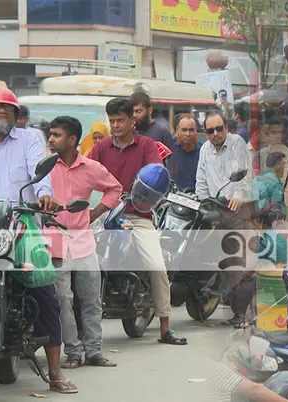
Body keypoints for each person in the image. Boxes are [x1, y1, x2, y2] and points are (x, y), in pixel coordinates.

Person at [0, 87, 78, 393]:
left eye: (8, 109)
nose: (2, 113)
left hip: (21, 222)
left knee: (45, 292)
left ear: (16, 115)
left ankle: (55, 372)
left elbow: (41, 174)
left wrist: (45, 195)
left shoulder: (29, 139)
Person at [88, 97, 187, 345]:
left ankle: (165, 327)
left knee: (156, 265)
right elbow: (84, 170)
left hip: (136, 215)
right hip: (104, 214)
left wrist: (142, 194)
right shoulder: (101, 147)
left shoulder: (146, 146)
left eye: (120, 120)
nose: (116, 125)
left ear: (133, 119)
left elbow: (156, 174)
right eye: (112, 121)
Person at [44, 116, 121, 369]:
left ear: (73, 139)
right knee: (62, 299)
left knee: (90, 298)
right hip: (52, 238)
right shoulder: (43, 165)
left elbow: (115, 189)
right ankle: (73, 352)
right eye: (51, 134)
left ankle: (94, 351)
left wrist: (95, 213)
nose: (51, 139)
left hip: (83, 239)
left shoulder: (90, 167)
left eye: (56, 135)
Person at [195, 112, 254, 327]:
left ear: (226, 128)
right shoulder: (204, 149)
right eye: (211, 131)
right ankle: (234, 312)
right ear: (206, 133)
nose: (216, 134)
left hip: (238, 209)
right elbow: (201, 180)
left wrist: (238, 196)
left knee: (245, 263)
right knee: (227, 265)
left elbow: (245, 174)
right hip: (216, 211)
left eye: (219, 128)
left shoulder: (237, 143)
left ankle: (244, 315)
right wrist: (200, 204)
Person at [130, 92, 176, 173]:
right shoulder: (130, 132)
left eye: (138, 111)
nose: (135, 115)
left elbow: (172, 162)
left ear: (150, 110)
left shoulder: (162, 131)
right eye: (132, 112)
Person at [171, 113, 203, 191]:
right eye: (184, 130)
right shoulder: (169, 149)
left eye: (191, 130)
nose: (188, 134)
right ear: (177, 130)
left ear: (196, 131)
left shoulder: (204, 151)